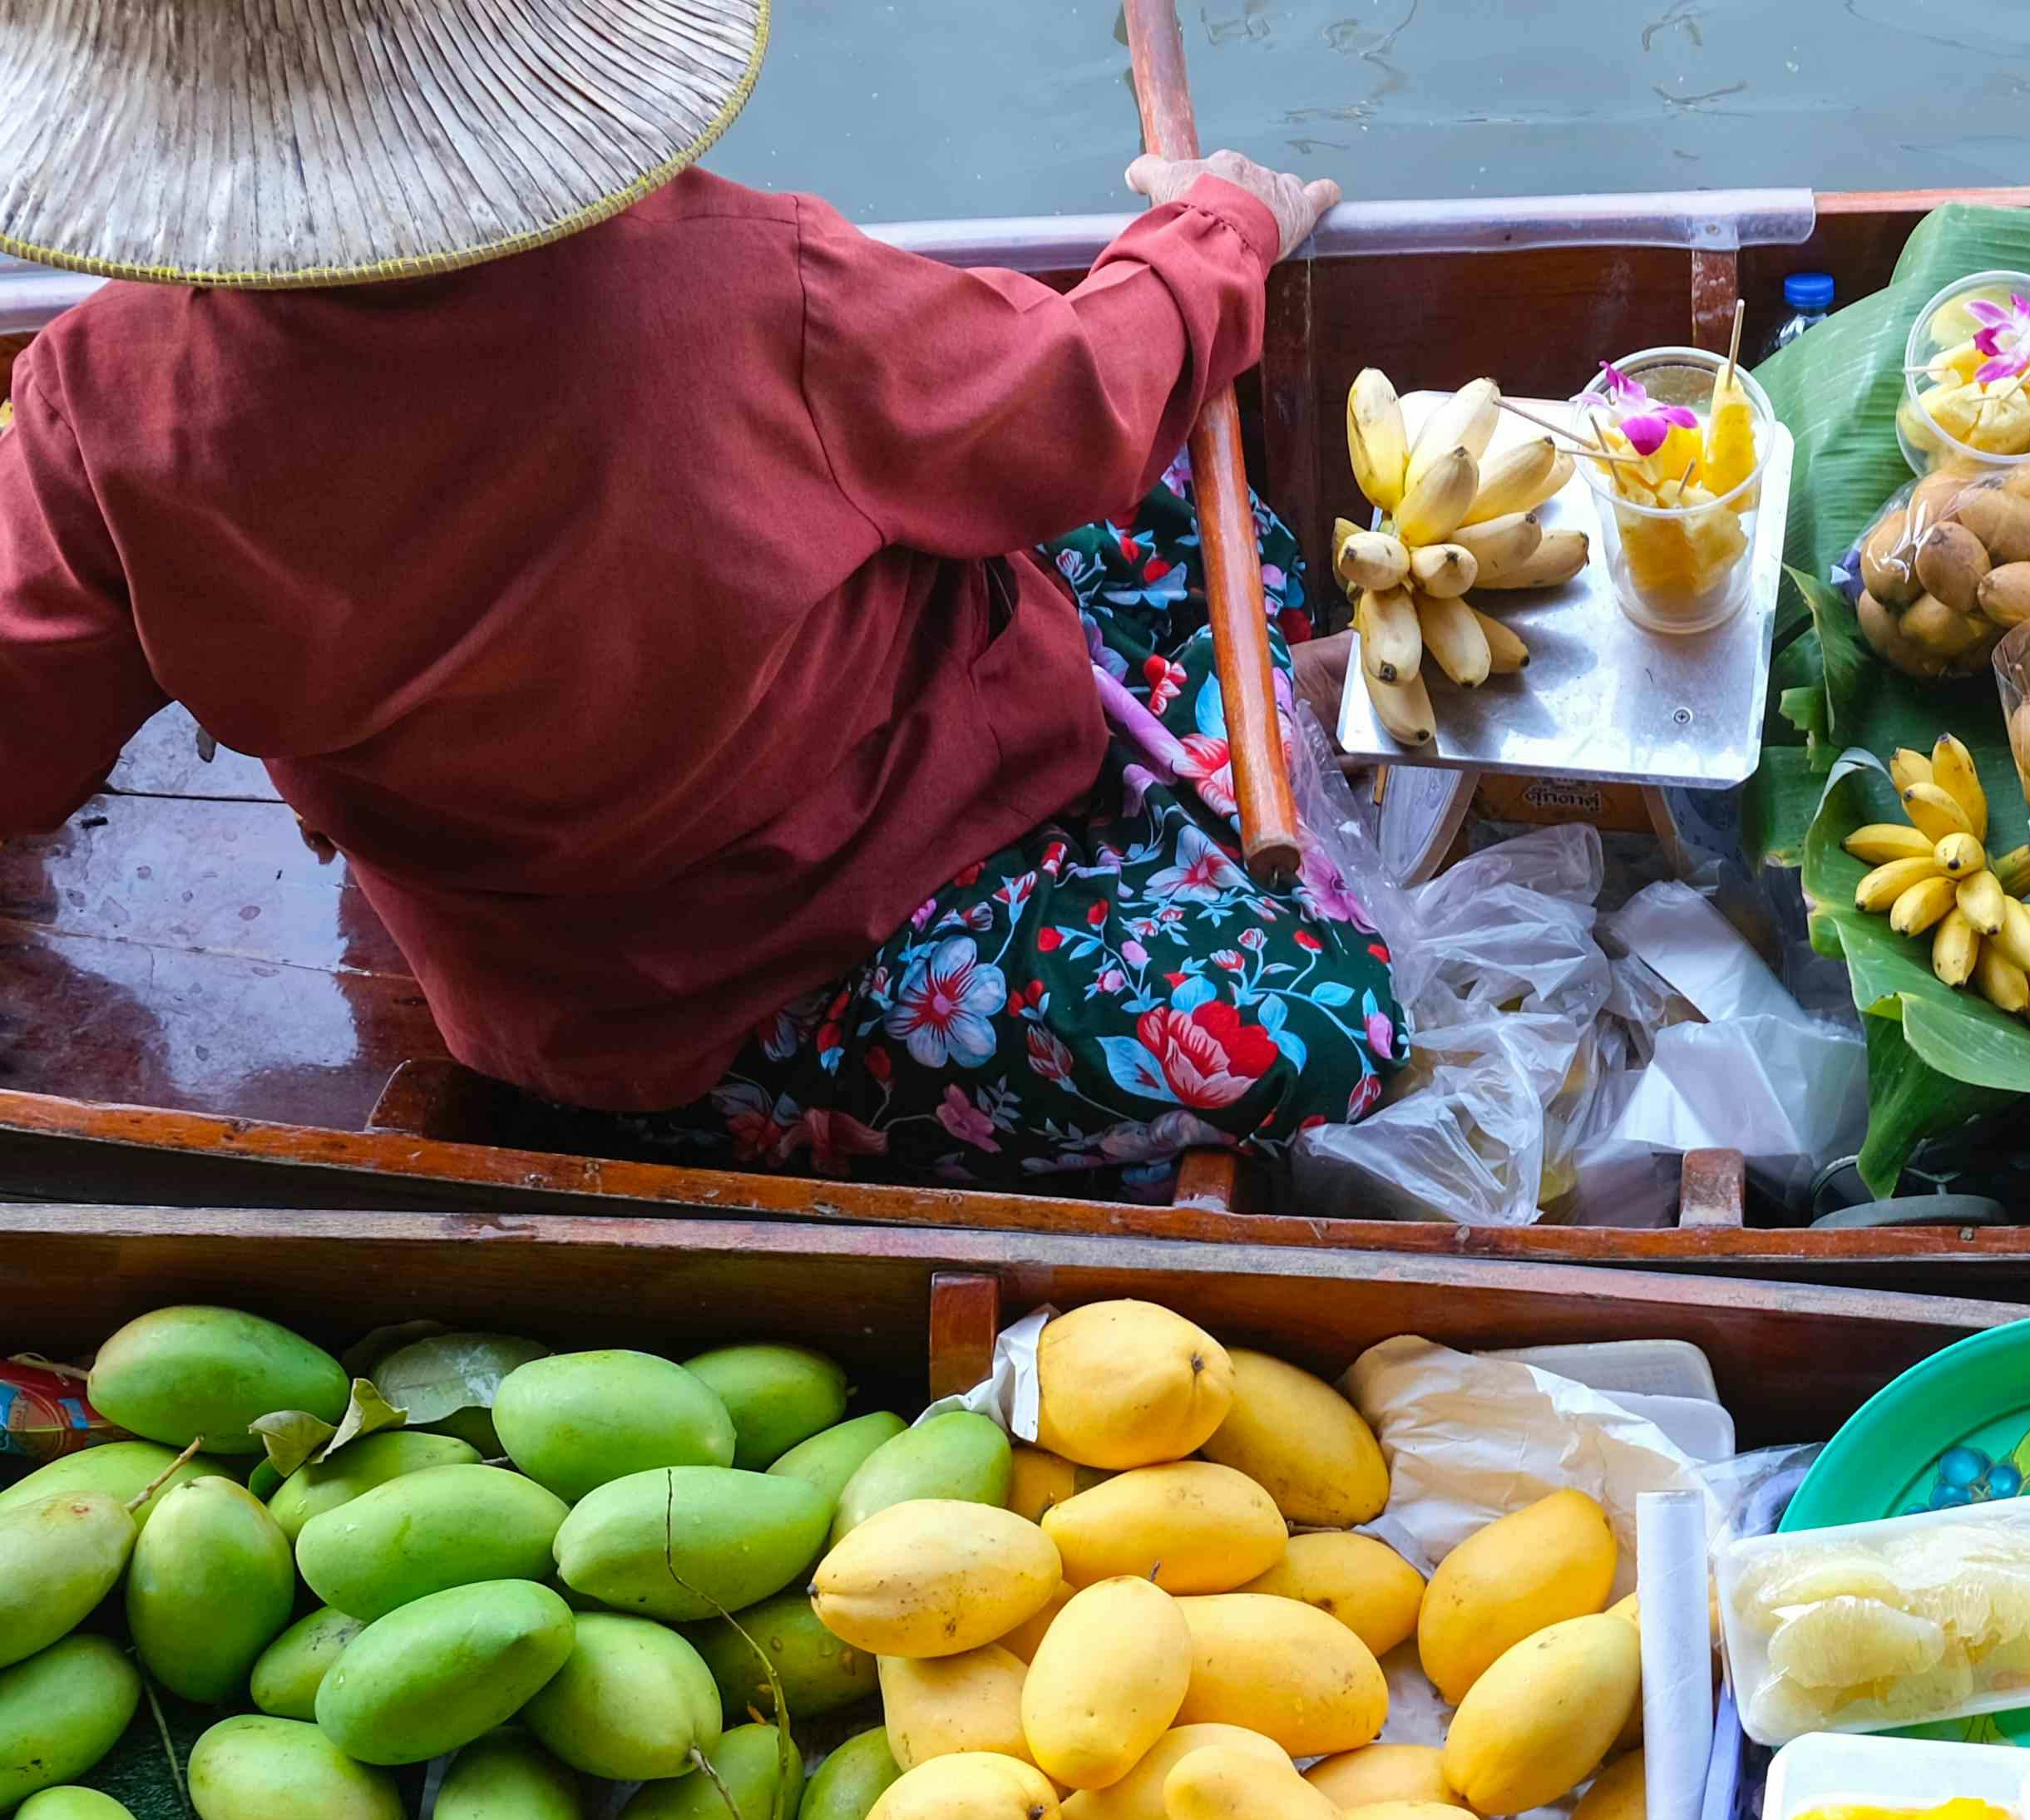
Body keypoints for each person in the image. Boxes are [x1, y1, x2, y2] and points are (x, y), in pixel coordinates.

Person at [0, 2, 1396, 1191]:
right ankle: (1234, 716)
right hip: (814, 968)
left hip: (550, 989)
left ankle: (1228, 709)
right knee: (1328, 1028)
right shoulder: (745, 282)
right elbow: (1074, 399)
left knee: (1116, 500)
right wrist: (1219, 231)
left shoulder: (92, 398)